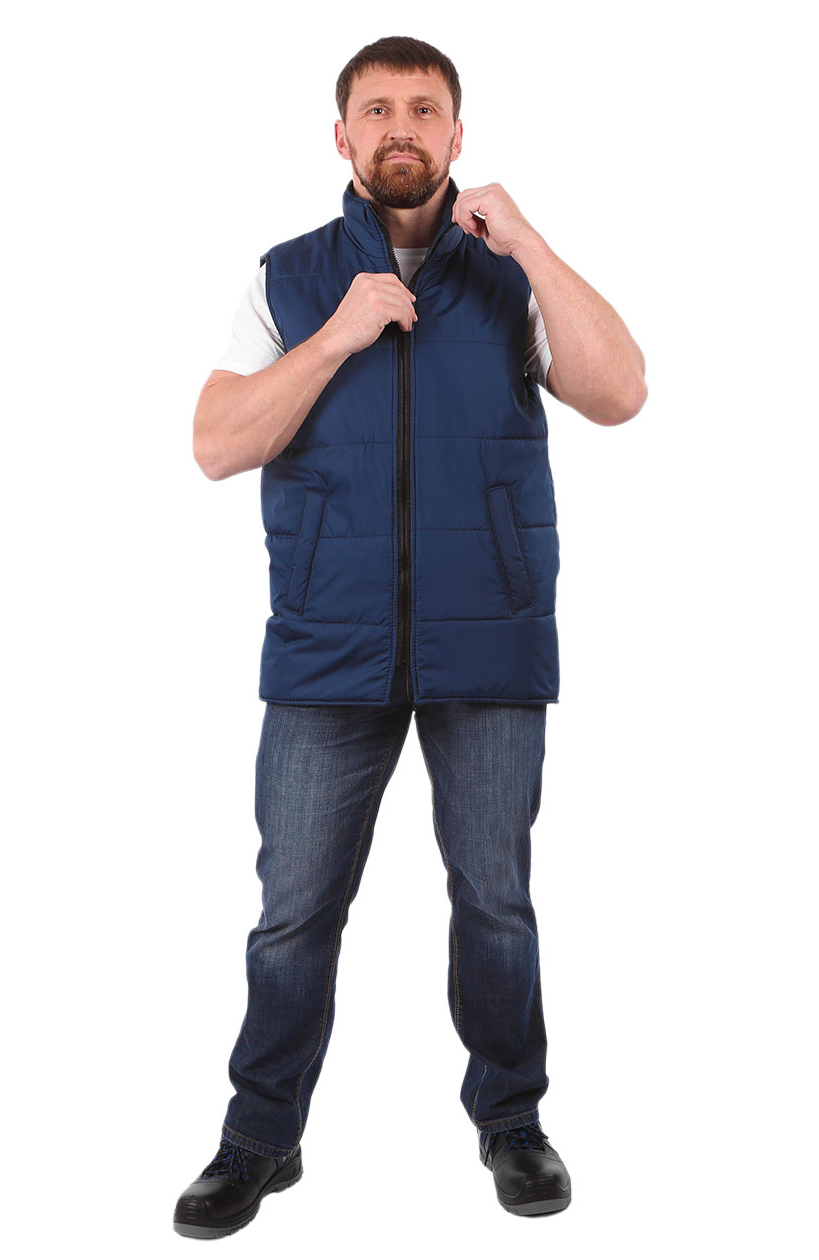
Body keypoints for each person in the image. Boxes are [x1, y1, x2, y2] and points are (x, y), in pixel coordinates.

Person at [173, 35, 647, 1238]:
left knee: (496, 902)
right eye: (377, 109)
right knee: (293, 913)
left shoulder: (506, 275)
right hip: (325, 652)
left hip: (490, 645)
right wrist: (338, 334)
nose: (401, 127)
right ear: (341, 137)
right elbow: (218, 445)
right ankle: (259, 1138)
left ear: (456, 135)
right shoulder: (288, 280)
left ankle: (513, 1123)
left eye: (424, 109)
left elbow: (620, 392)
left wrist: (528, 244)